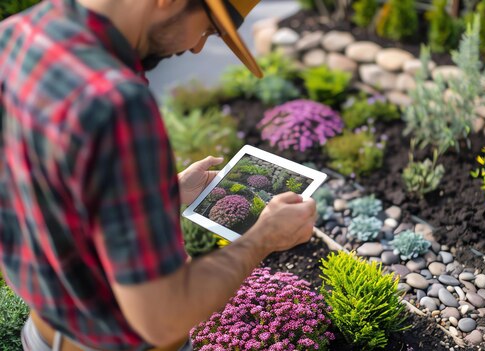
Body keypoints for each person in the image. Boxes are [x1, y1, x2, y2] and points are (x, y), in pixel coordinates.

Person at [0, 0, 317, 350]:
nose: (197, 46)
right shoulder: (117, 103)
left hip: (42, 334)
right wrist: (264, 237)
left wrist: (159, 195)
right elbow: (162, 319)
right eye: (210, 28)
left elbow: (45, 189)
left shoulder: (16, 35)